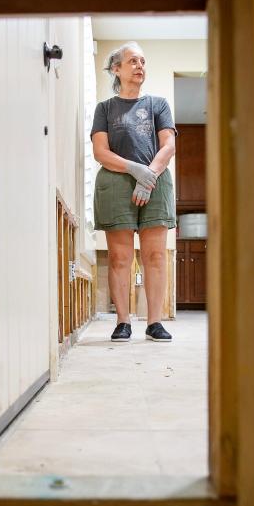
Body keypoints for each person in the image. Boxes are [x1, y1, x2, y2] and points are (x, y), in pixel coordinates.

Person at [91, 41, 177, 343]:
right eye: (132, 61)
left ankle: (154, 322)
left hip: (155, 182)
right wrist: (134, 170)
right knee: (120, 257)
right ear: (117, 69)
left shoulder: (158, 104)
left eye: (142, 61)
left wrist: (148, 175)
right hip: (115, 183)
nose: (140, 66)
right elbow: (101, 152)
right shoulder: (105, 109)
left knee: (155, 255)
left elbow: (168, 144)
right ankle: (123, 321)